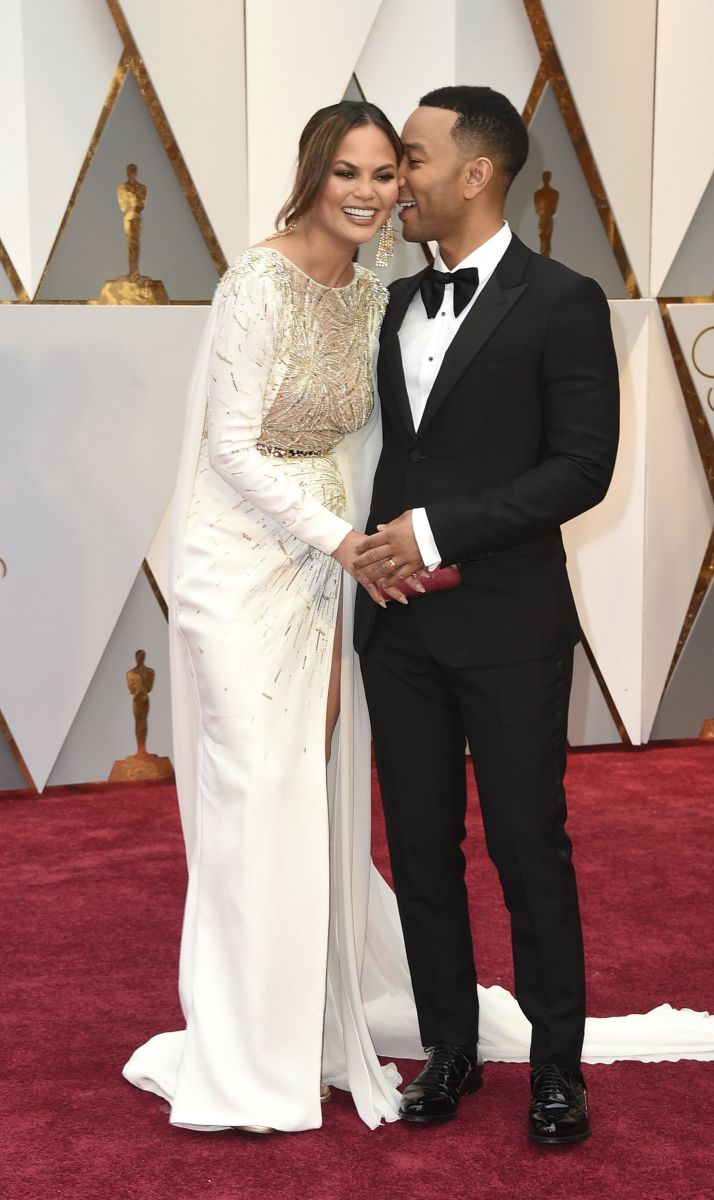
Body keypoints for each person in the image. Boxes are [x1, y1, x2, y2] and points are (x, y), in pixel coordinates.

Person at [122, 101, 405, 1133]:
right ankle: (242, 1060)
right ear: (313, 175)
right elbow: (232, 450)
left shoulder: (371, 295)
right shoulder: (256, 281)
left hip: (324, 575)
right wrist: (342, 547)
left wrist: (353, 565)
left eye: (382, 175)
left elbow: (357, 449)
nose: (367, 193)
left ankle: (302, 1033)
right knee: (250, 800)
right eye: (348, 173)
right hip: (236, 569)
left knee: (305, 792)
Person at [352, 85, 618, 1147]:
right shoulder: (386, 301)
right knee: (419, 848)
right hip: (399, 633)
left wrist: (434, 531)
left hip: (509, 626)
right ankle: (448, 1049)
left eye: (410, 158)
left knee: (525, 844)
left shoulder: (563, 299)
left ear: (475, 172)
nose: (393, 180)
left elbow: (580, 471)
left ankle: (556, 1069)